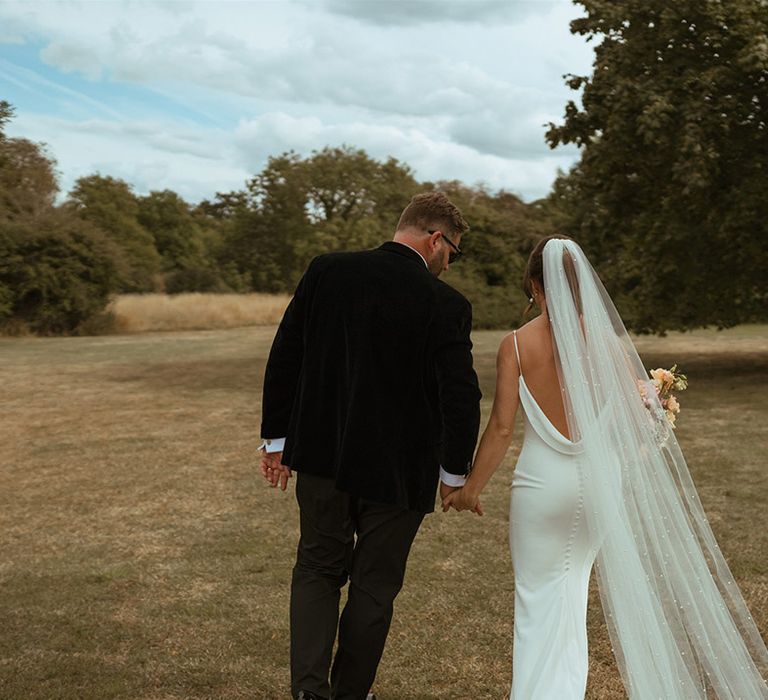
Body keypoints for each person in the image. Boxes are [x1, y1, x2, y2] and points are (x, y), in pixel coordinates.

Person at [444, 236, 768, 699]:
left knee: (537, 602)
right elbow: (638, 428)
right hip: (598, 488)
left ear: (536, 284)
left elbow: (499, 428)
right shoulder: (611, 346)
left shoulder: (515, 346)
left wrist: (471, 489)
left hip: (542, 489)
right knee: (571, 600)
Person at [259, 192, 482, 700]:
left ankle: (309, 694)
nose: (450, 261)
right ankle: (350, 694)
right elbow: (461, 393)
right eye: (453, 250)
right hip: (399, 473)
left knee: (316, 567)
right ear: (434, 238)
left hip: (321, 457)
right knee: (375, 586)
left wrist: (275, 439)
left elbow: (285, 354)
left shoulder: (327, 271)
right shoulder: (446, 305)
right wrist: (453, 474)